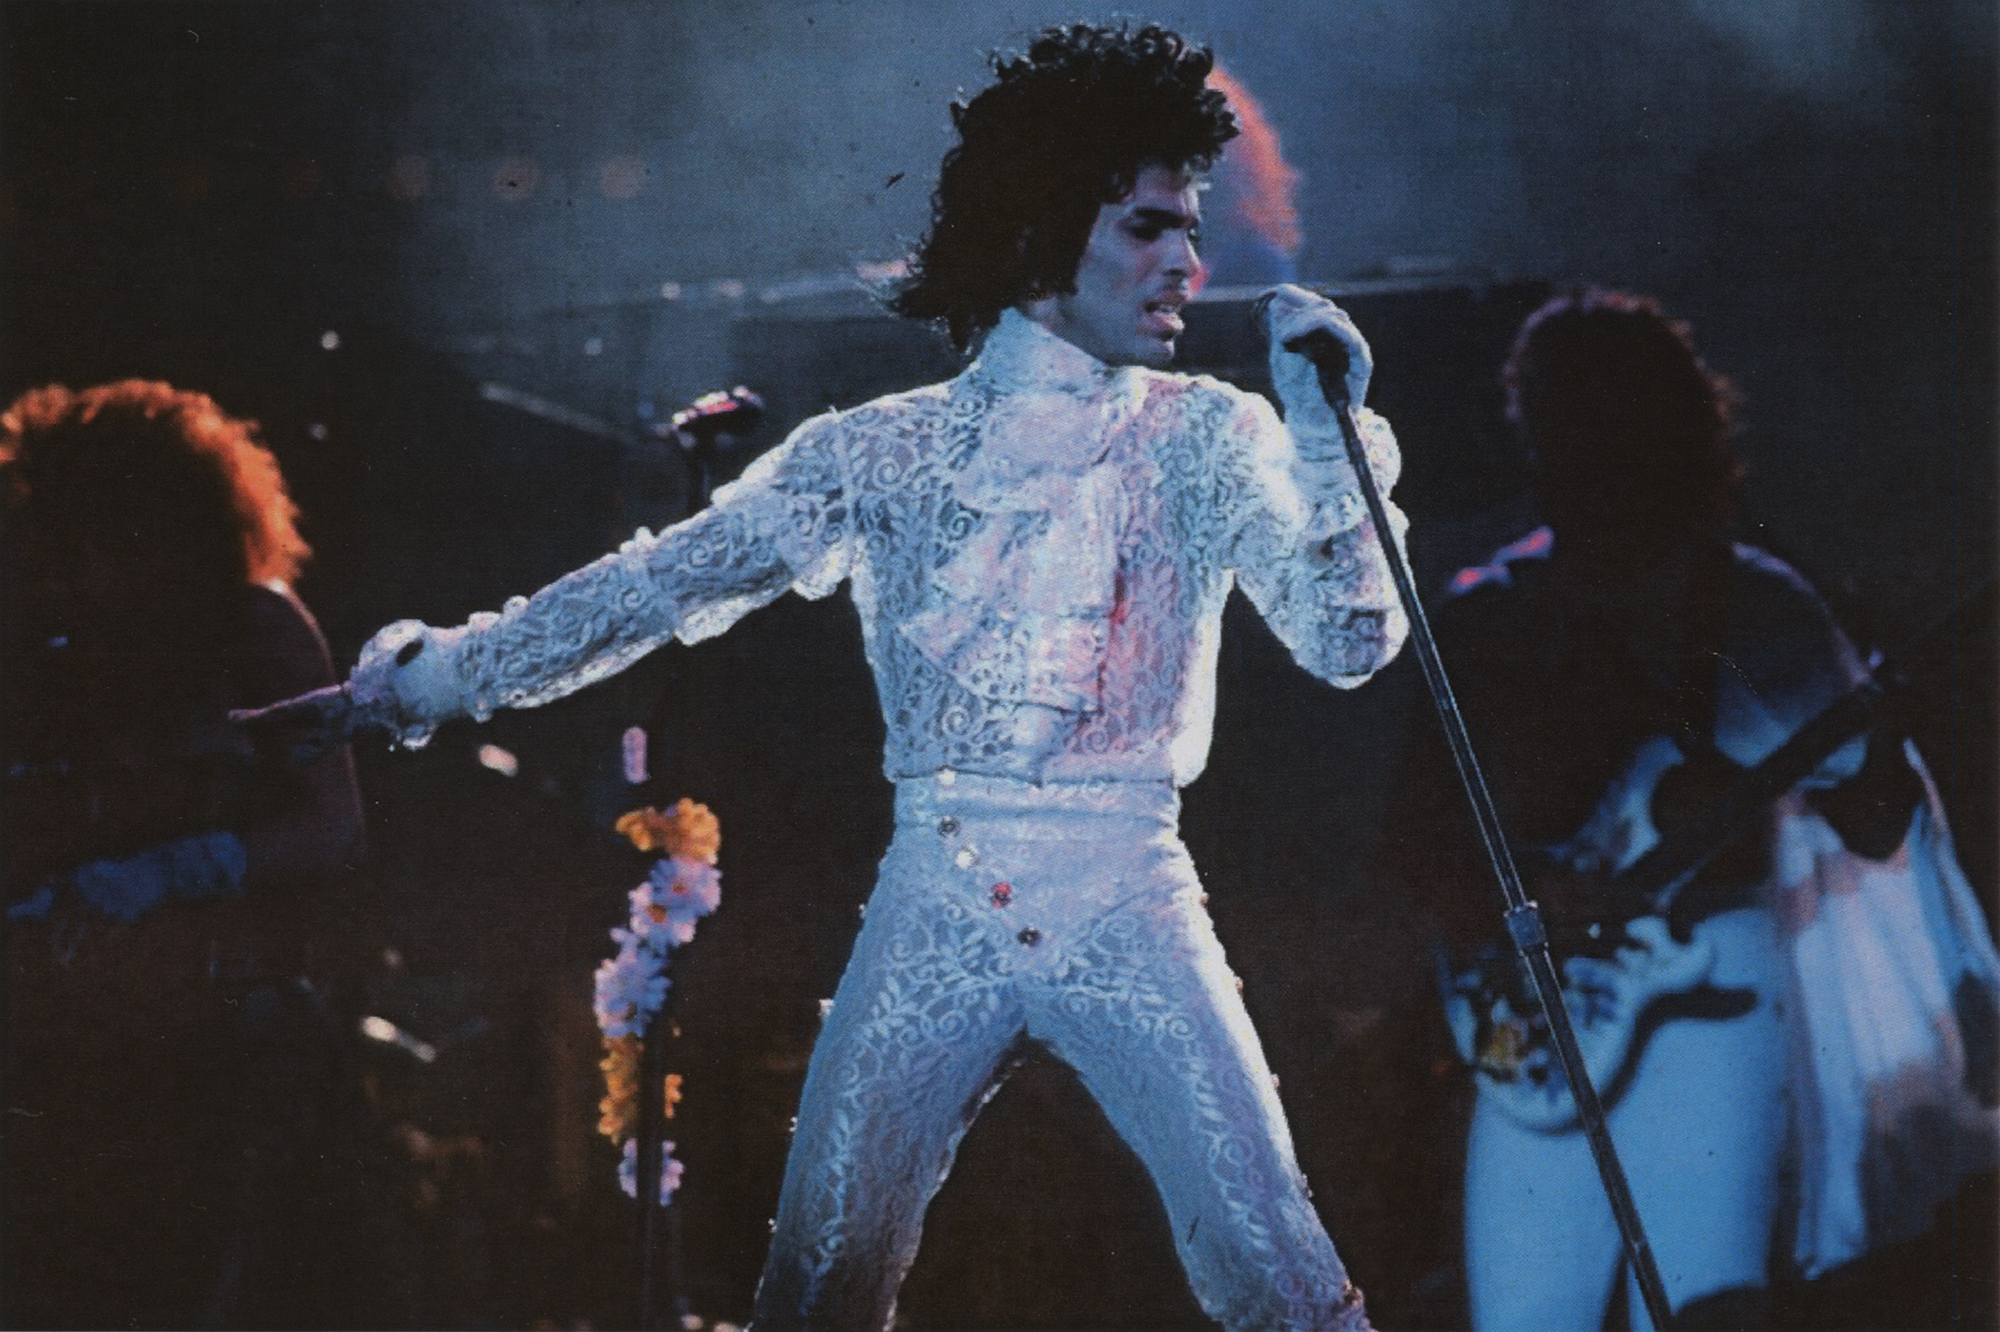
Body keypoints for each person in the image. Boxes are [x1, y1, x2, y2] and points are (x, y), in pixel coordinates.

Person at [253, 22, 1408, 1330]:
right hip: (940, 901)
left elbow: (1347, 645)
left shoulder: (1211, 434)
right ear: (1043, 232)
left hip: (1132, 894)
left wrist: (1329, 448)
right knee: (818, 1288)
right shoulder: (878, 452)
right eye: (1149, 227)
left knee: (1281, 1273)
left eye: (1191, 231)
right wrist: (408, 689)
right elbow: (652, 591)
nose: (1188, 264)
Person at [1383, 290, 1998, 1329]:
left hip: (1713, 1011)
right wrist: (1523, 898)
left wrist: (1878, 736)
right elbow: (1409, 842)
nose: (1573, 442)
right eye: (1554, 411)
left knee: (1703, 1308)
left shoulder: (1757, 605)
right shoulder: (1487, 611)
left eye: (1599, 411)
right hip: (1530, 1021)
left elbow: (1877, 828)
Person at [2, 380, 367, 1328]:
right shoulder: (52, 650)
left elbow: (332, 822)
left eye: (109, 533)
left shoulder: (256, 626)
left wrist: (180, 870)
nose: (82, 564)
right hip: (69, 1062)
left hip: (227, 1056)